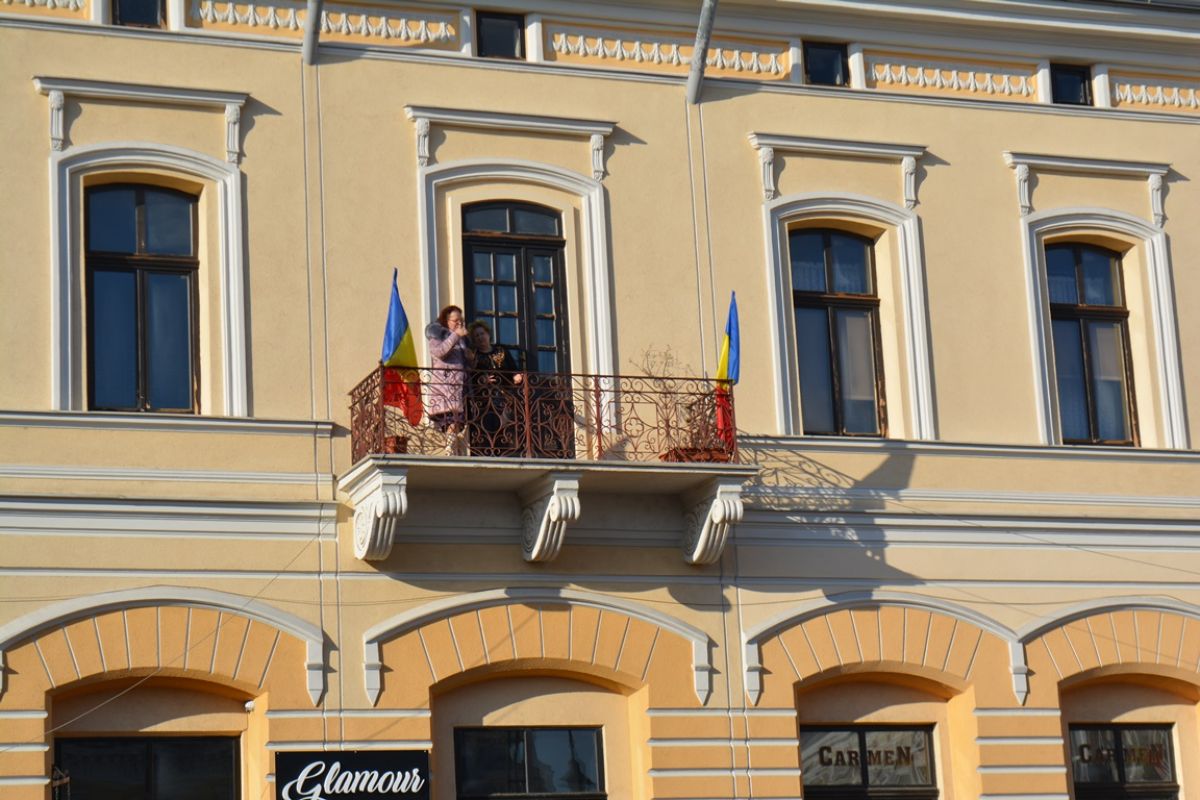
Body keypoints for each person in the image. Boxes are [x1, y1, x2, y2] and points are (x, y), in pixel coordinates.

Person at [467, 320, 523, 456]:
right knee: (487, 426)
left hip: (504, 396)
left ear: (488, 334)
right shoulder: (474, 355)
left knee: (505, 426)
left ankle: (505, 452)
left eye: (482, 334)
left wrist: (516, 376)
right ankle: (488, 453)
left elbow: (512, 369)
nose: (480, 337)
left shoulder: (501, 350)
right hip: (483, 399)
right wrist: (482, 380)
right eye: (476, 336)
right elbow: (470, 377)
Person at [426, 305, 471, 454]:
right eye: (455, 320)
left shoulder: (463, 340)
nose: (459, 323)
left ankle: (453, 447)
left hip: (460, 386)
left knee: (458, 420)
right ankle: (450, 448)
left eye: (461, 320)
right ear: (446, 321)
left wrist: (471, 358)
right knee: (451, 418)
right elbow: (439, 352)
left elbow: (466, 364)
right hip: (445, 386)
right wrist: (456, 335)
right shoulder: (437, 336)